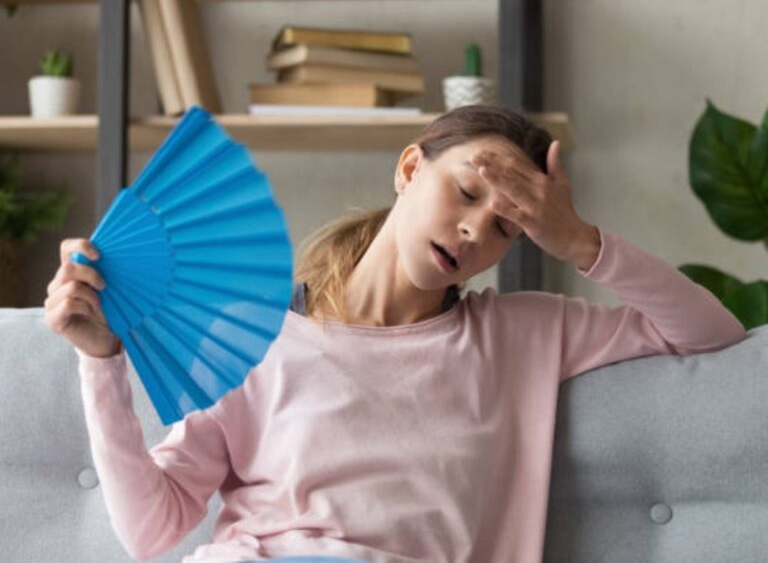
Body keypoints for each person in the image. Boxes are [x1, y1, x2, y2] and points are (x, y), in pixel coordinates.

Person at [43, 105, 747, 563]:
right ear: (411, 169)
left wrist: (577, 240)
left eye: (507, 226)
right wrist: (101, 360)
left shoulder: (523, 334)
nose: (474, 230)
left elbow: (709, 329)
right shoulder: (258, 333)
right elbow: (150, 529)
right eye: (467, 193)